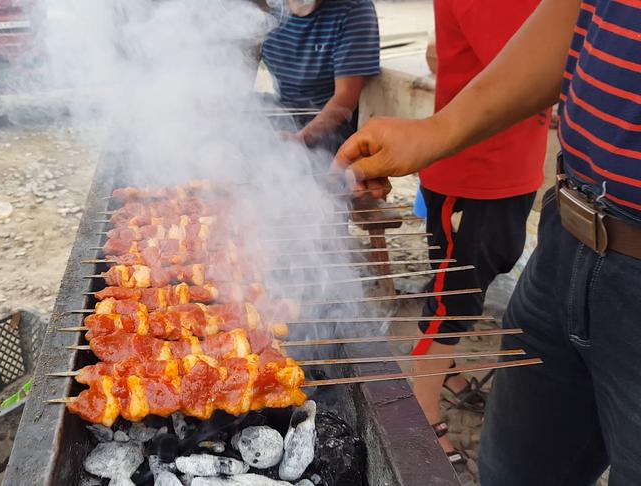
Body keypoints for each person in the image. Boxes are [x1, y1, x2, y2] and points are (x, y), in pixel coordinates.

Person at [333, 0, 641, 483]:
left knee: (464, 293)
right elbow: (577, 16)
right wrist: (438, 130)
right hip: (529, 205)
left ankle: (439, 373)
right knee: (453, 300)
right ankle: (427, 400)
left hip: (513, 182)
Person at [408, 0, 549, 470]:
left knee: (485, 272)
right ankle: (419, 408)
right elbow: (531, 71)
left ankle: (444, 372)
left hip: (511, 165)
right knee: (456, 296)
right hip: (472, 172)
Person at [260, 0, 380, 152]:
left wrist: (301, 139)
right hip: (283, 109)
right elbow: (242, 72)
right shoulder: (265, 8)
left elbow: (345, 96)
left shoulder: (354, 9)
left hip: (331, 126)